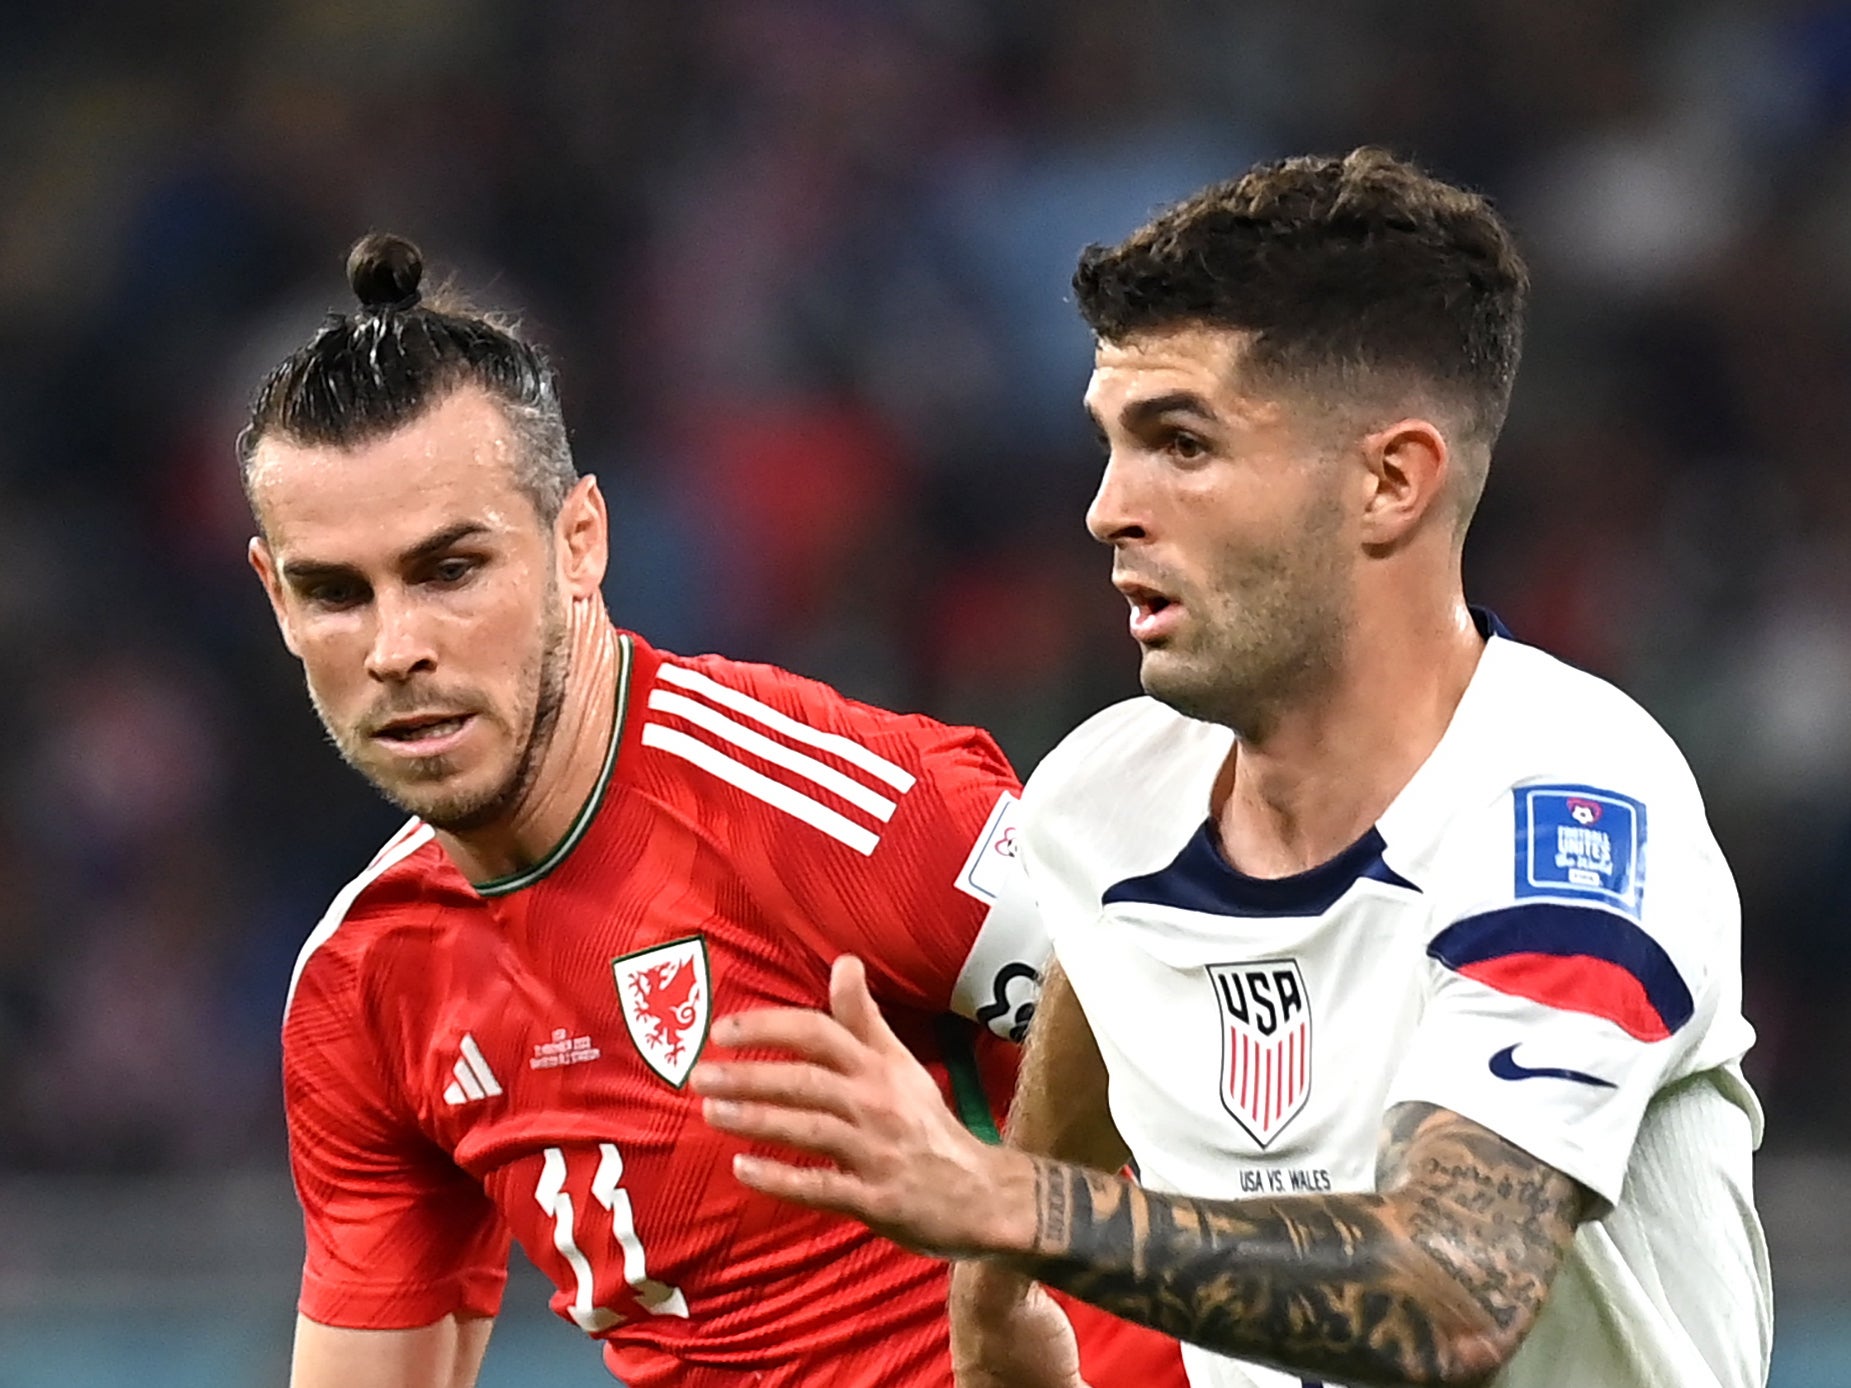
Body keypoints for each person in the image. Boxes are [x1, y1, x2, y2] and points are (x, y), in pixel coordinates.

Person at [690, 148, 1774, 1388]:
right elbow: (1097, 1002)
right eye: (1113, 444)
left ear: (1389, 481)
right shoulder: (1103, 802)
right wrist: (995, 1305)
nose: (1108, 508)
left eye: (1183, 444)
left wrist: (1001, 1203)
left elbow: (1453, 1291)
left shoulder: (1572, 811)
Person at [245, 234, 1183, 1388]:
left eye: (450, 570)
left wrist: (1000, 1224)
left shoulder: (836, 809)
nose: (397, 648)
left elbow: (1240, 1069)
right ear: (272, 596)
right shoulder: (364, 978)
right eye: (335, 592)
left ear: (578, 539)